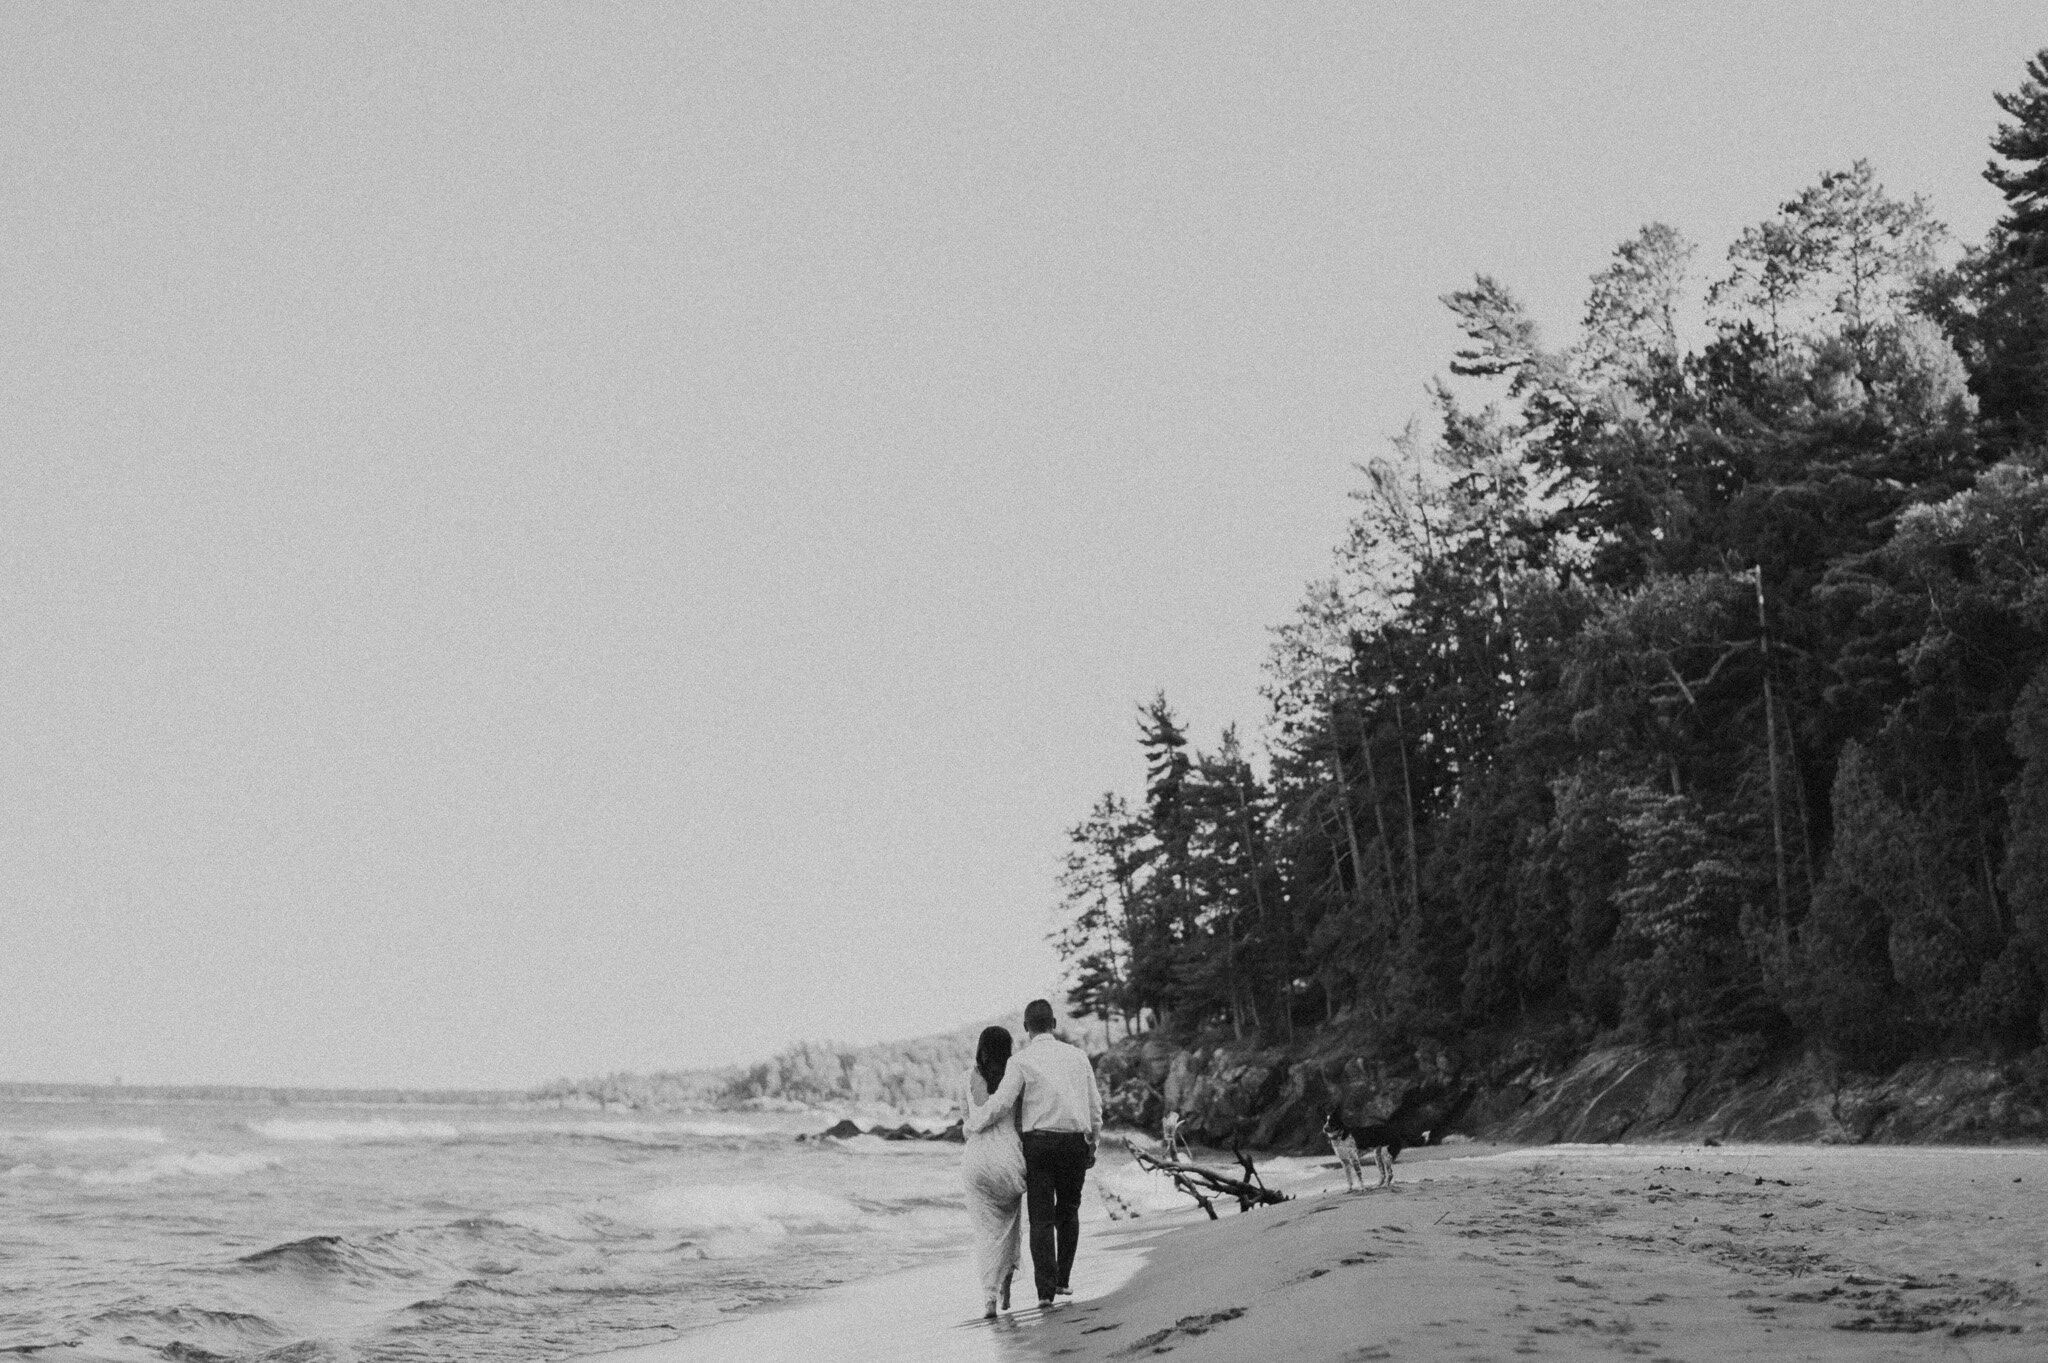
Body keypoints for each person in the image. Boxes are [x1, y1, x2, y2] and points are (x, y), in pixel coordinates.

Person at [965, 999, 1103, 1309]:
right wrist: (1093, 1142)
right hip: (1073, 1143)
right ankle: (1064, 1279)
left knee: (1041, 1219)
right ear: (1054, 1024)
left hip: (1038, 1146)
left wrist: (975, 1123)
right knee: (1068, 1212)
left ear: (1027, 1028)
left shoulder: (1021, 1061)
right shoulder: (1079, 1057)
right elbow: (1095, 1106)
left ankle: (1045, 1293)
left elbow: (1001, 1103)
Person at [961, 1025, 1025, 1319]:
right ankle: (1006, 1287)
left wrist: (975, 1126)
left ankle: (988, 1298)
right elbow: (1021, 1122)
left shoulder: (966, 1079)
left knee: (986, 1233)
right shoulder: (1015, 1079)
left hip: (975, 1161)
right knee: (1010, 1227)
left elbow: (966, 1125)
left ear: (982, 1049)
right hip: (1007, 1158)